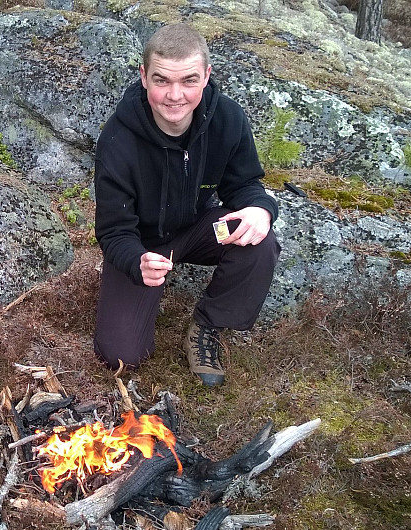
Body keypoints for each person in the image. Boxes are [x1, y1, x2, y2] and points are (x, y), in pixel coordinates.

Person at [93, 23, 281, 387]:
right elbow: (114, 230)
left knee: (260, 239)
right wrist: (136, 261)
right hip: (143, 245)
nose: (175, 95)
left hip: (198, 230)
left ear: (207, 76)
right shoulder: (118, 139)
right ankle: (144, 285)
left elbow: (243, 185)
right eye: (162, 80)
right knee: (121, 355)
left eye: (189, 81)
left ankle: (208, 325)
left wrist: (261, 209)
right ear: (144, 76)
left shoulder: (227, 119)